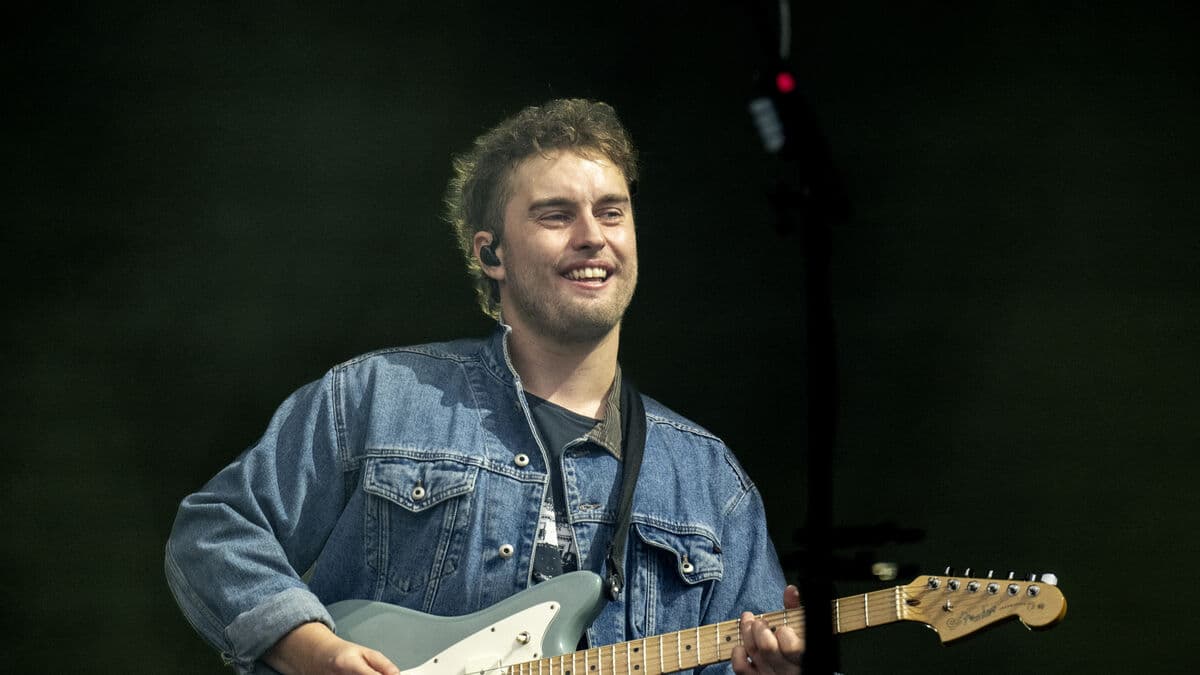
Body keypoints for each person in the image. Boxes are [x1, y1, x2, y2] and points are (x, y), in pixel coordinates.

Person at [165, 98, 804, 675]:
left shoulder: (708, 481)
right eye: (557, 215)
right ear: (490, 254)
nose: (593, 235)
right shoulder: (378, 398)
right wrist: (315, 651)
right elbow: (217, 529)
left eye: (612, 212)